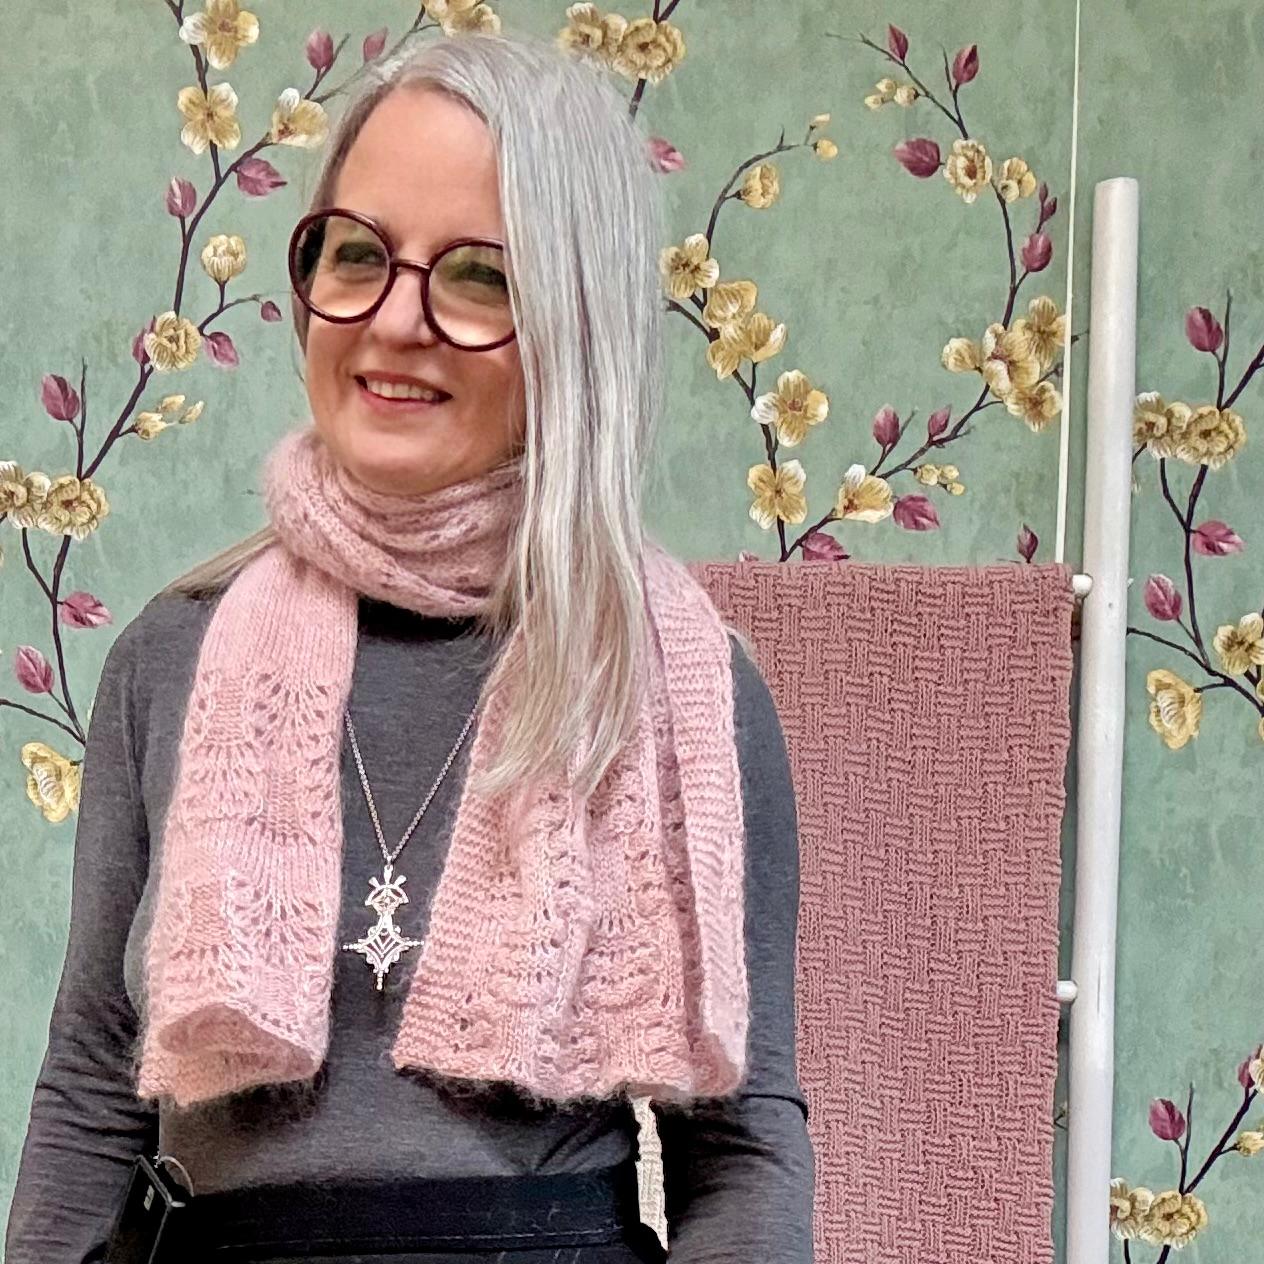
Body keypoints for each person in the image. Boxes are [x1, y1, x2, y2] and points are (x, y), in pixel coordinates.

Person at [5, 31, 814, 1264]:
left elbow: (743, 1148)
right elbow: (88, 1085)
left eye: (478, 275)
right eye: (357, 254)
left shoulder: (678, 691)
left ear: (574, 319)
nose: (394, 322)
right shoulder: (168, 657)